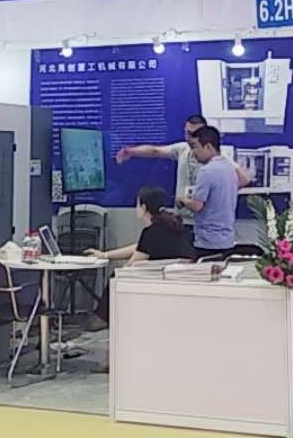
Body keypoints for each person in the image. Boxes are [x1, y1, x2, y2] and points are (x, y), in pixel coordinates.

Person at [85, 187, 195, 327]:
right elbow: (140, 247)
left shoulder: (151, 232)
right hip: (179, 278)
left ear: (144, 207)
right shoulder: (172, 226)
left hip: (157, 280)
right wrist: (105, 255)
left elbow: (131, 265)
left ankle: (102, 319)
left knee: (116, 276)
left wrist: (121, 269)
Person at [115, 115, 250, 202]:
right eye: (187, 133)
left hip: (203, 218)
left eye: (193, 134)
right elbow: (155, 151)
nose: (189, 138)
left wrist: (216, 194)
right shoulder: (182, 149)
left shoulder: (217, 156)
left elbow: (244, 179)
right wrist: (130, 151)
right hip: (182, 217)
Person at [180, 126, 239, 259]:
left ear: (208, 146)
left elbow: (197, 205)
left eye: (195, 147)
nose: (193, 152)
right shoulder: (230, 169)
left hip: (207, 243)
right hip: (227, 240)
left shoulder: (206, 171)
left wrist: (183, 201)